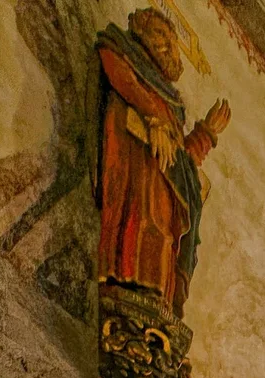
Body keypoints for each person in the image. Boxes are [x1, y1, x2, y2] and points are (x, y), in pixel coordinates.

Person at [96, 8, 230, 317]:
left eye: (172, 38)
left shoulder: (173, 103)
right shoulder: (121, 50)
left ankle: (160, 301)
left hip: (162, 184)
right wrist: (152, 116)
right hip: (134, 164)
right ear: (140, 34)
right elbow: (115, 68)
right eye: (159, 34)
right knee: (140, 222)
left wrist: (206, 133)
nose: (168, 44)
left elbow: (181, 161)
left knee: (165, 235)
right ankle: (127, 288)